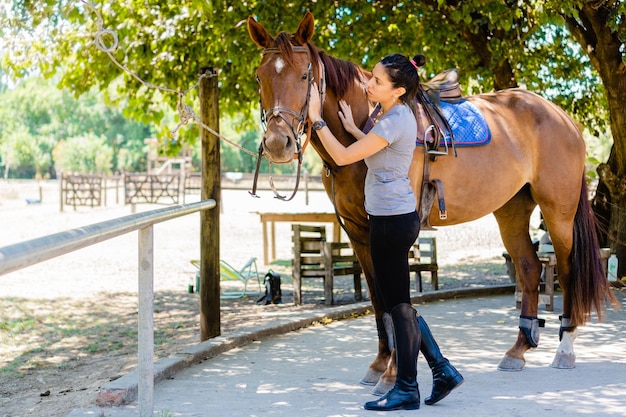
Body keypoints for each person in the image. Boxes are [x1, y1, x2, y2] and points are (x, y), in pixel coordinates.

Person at [308, 53, 464, 411]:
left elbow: (346, 158)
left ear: (397, 90)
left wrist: (318, 121)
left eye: (377, 81)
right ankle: (442, 369)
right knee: (400, 305)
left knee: (399, 308)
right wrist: (351, 128)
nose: (369, 85)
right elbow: (374, 149)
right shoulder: (393, 117)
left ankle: (408, 386)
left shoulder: (394, 119)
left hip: (391, 221)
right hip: (391, 218)